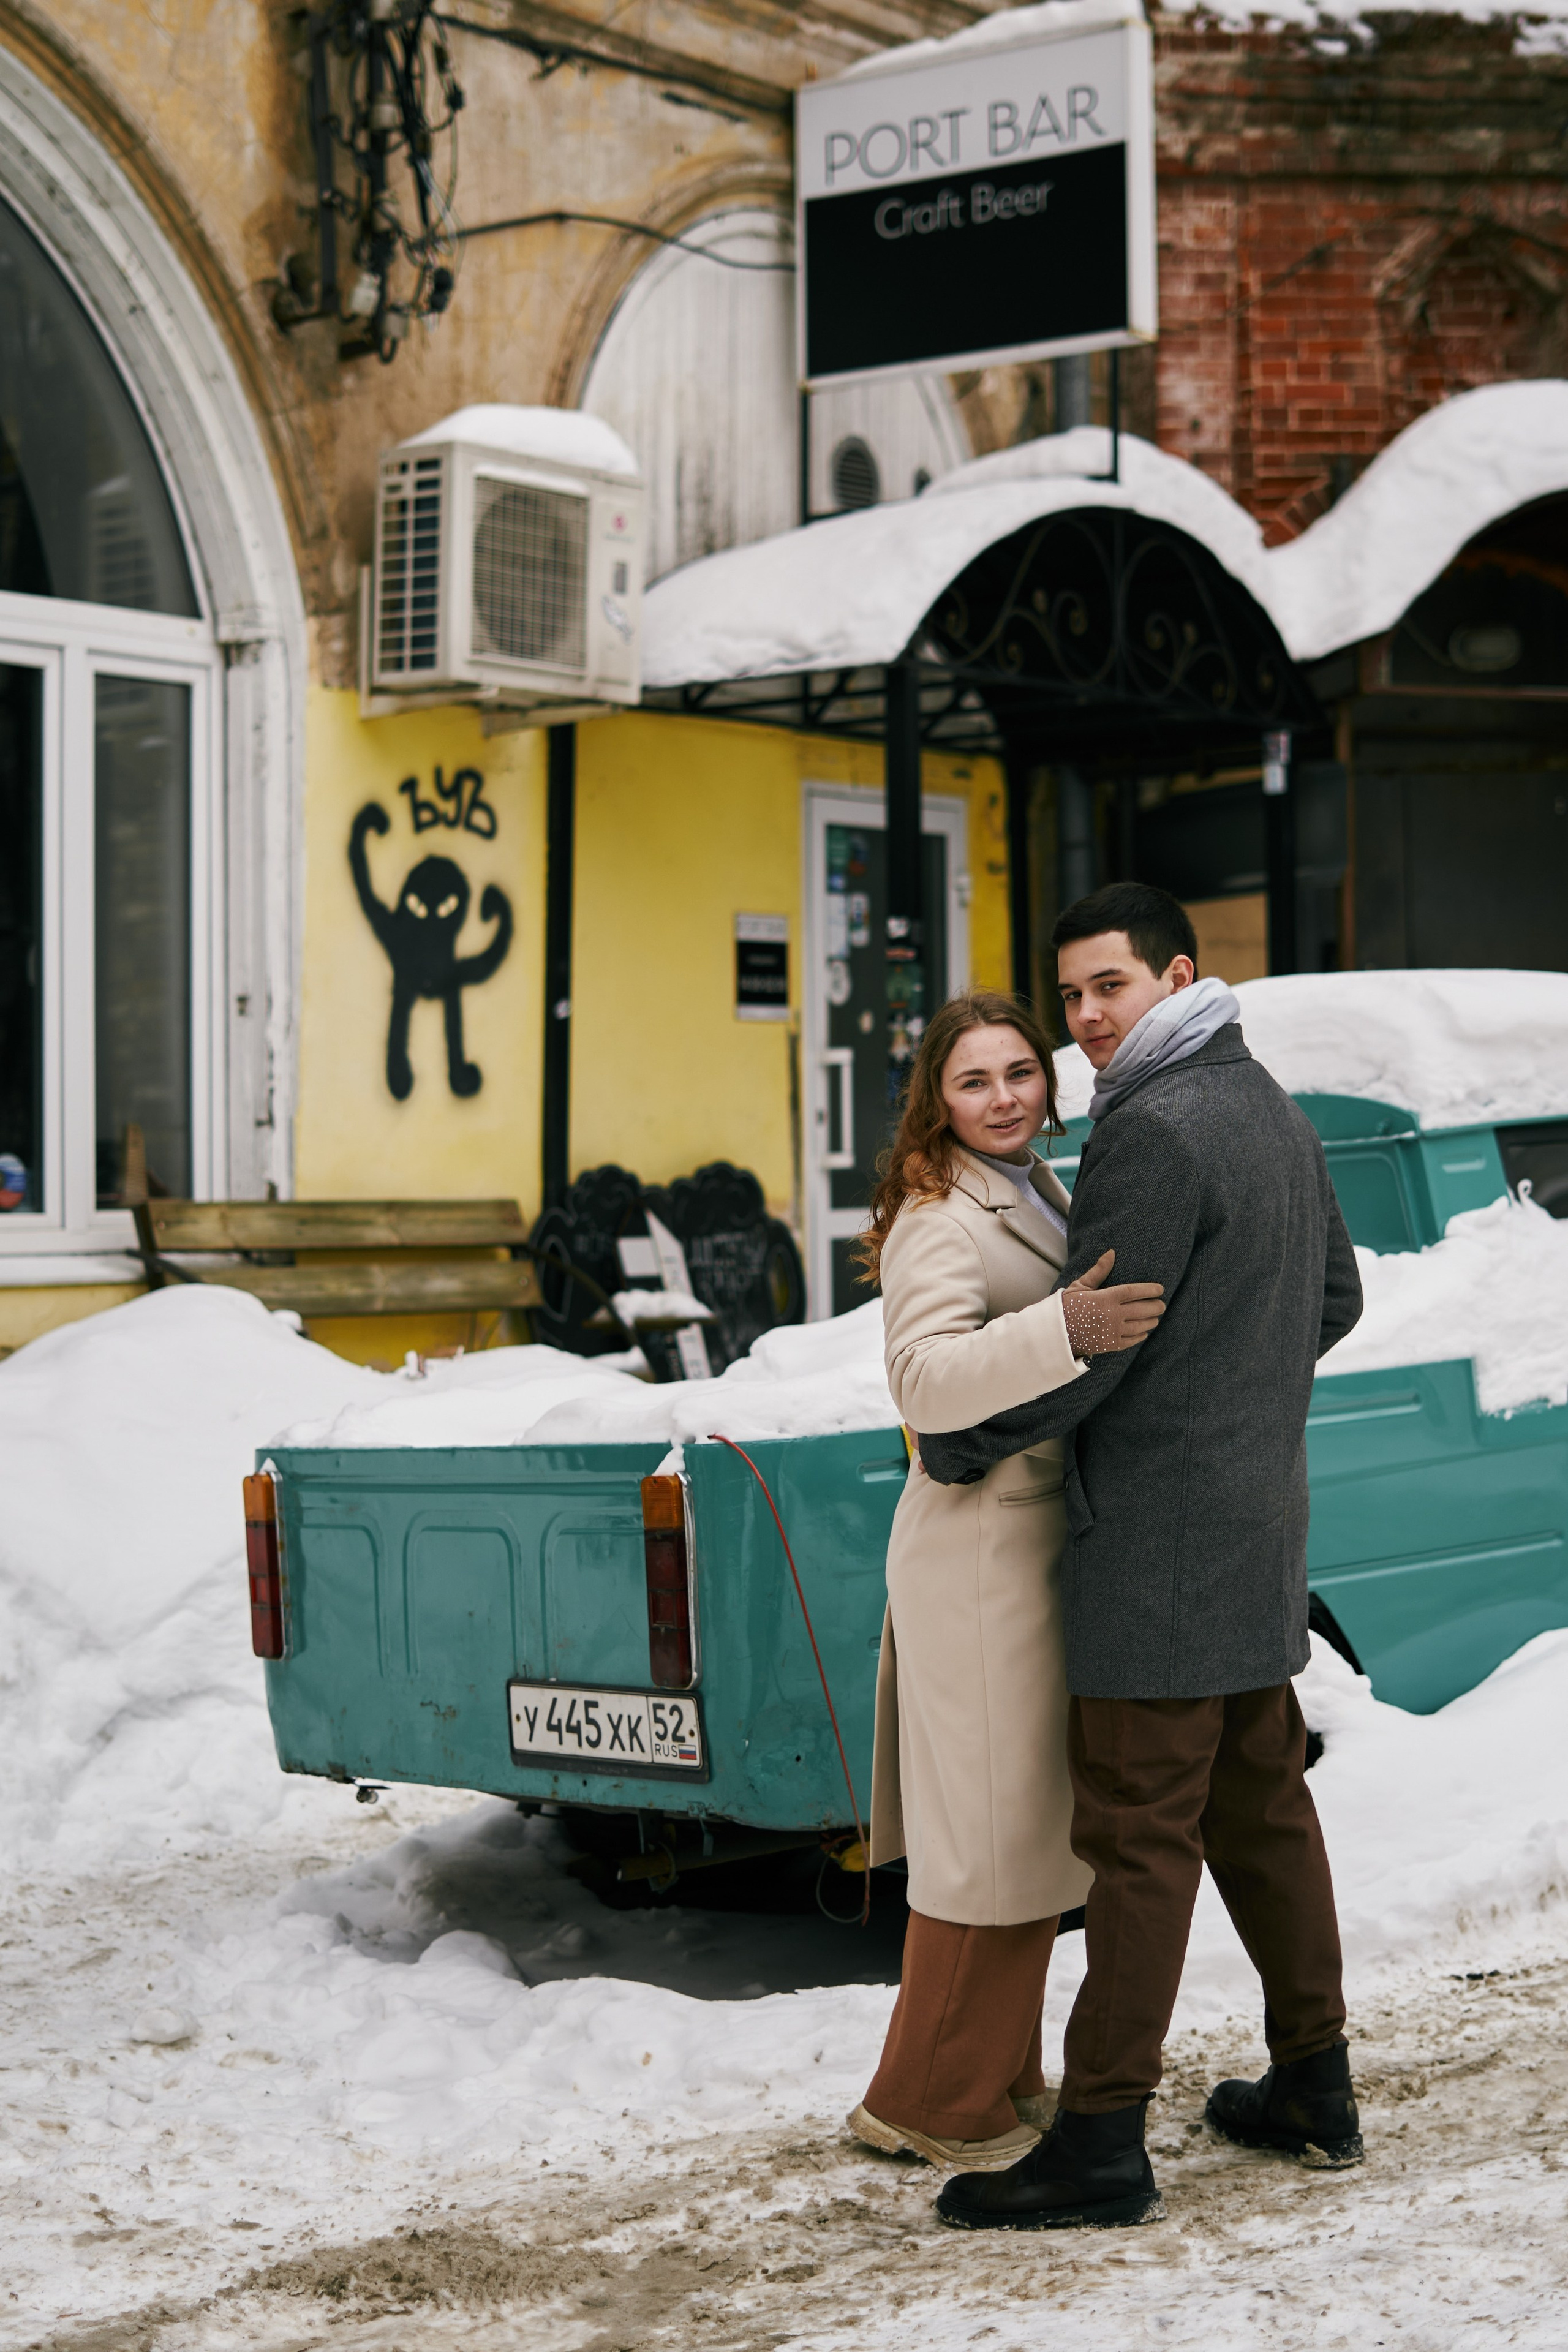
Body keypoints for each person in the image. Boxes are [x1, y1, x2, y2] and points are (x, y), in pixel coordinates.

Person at [918, 885, 1365, 2233]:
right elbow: (1334, 1297)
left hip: (1155, 1554)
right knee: (1260, 1809)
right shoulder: (1267, 1106)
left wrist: (963, 1442)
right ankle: (1314, 2083)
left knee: (1134, 1839)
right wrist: (1237, 1405)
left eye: (1108, 987)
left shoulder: (1154, 1128)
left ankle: (1101, 2137)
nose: (1087, 1021)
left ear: (1177, 974)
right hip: (1252, 1527)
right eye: (1070, 997)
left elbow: (1095, 1338)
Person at [847, 987, 1166, 2173]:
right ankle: (928, 2098)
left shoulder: (1035, 1185)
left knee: (1026, 1830)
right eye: (973, 1081)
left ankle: (996, 2078)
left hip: (1023, 1545)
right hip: (976, 1551)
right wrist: (1066, 1328)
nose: (1002, 1099)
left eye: (1018, 1074)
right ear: (937, 1098)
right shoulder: (939, 1214)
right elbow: (923, 1387)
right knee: (984, 1837)